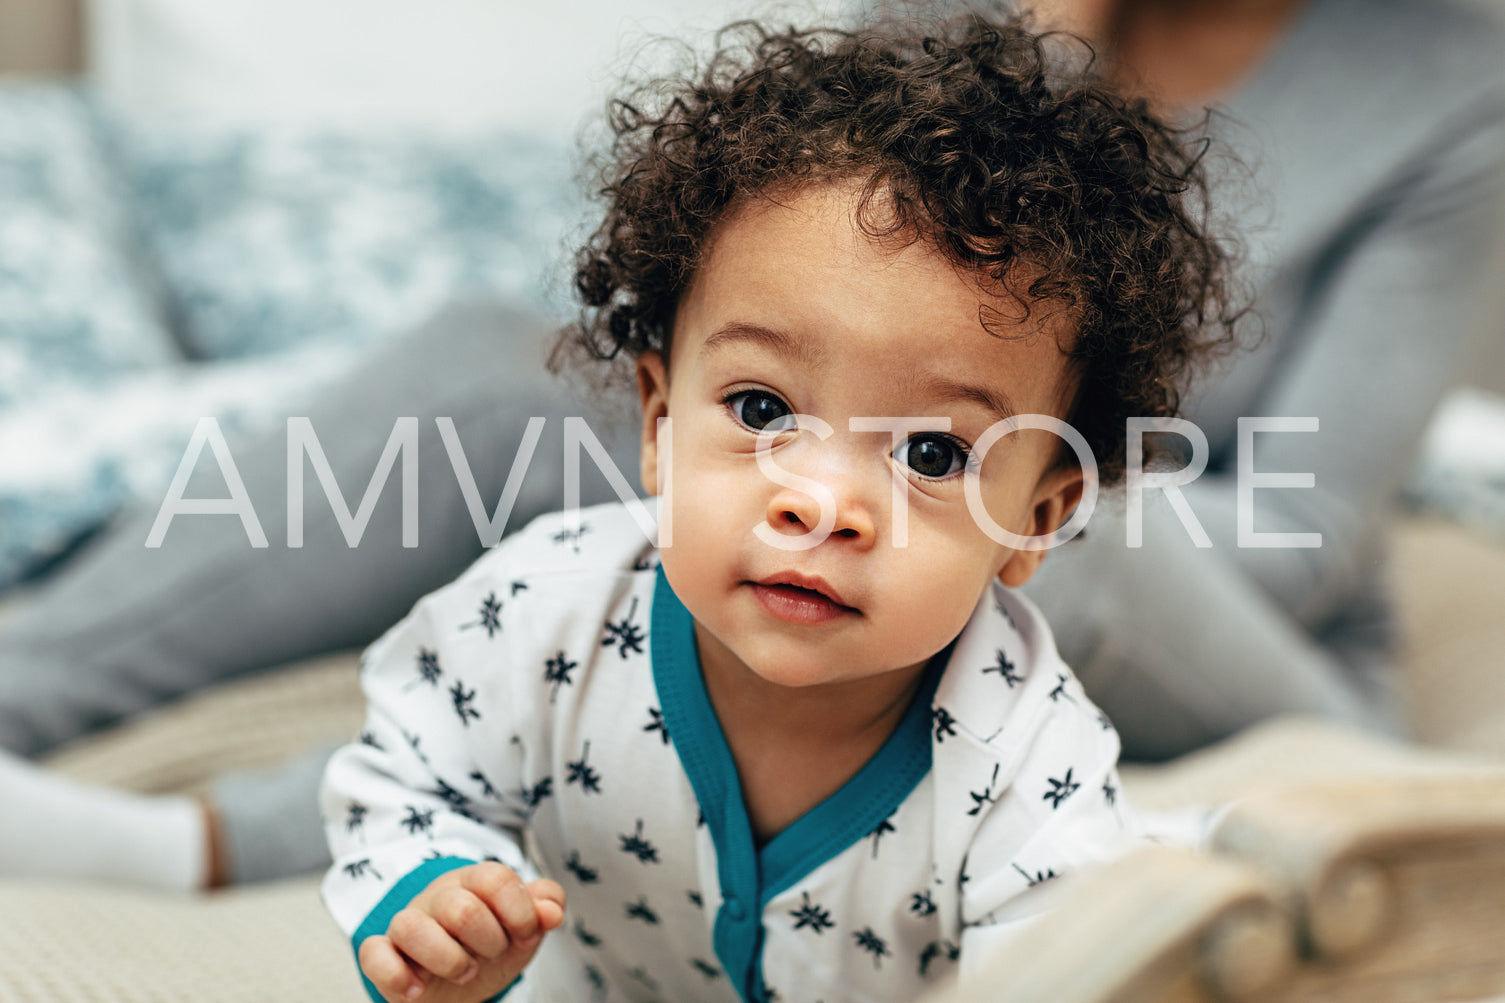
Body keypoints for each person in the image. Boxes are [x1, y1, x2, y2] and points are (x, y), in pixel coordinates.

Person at [3, 0, 1503, 892]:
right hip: (951, 489)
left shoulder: (1458, 80)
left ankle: (203, 843)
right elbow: (797, 299)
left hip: (1228, 611)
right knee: (511, 377)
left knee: (900, 544)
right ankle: (33, 680)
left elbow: (1299, 535)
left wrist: (956, 493)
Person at [318, 12, 1234, 1002]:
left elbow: (1065, 971)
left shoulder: (1022, 756)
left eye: (932, 452)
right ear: (660, 425)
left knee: (1177, 921)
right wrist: (436, 903)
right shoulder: (547, 614)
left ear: (1035, 521)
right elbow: (407, 772)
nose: (821, 504)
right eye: (761, 408)